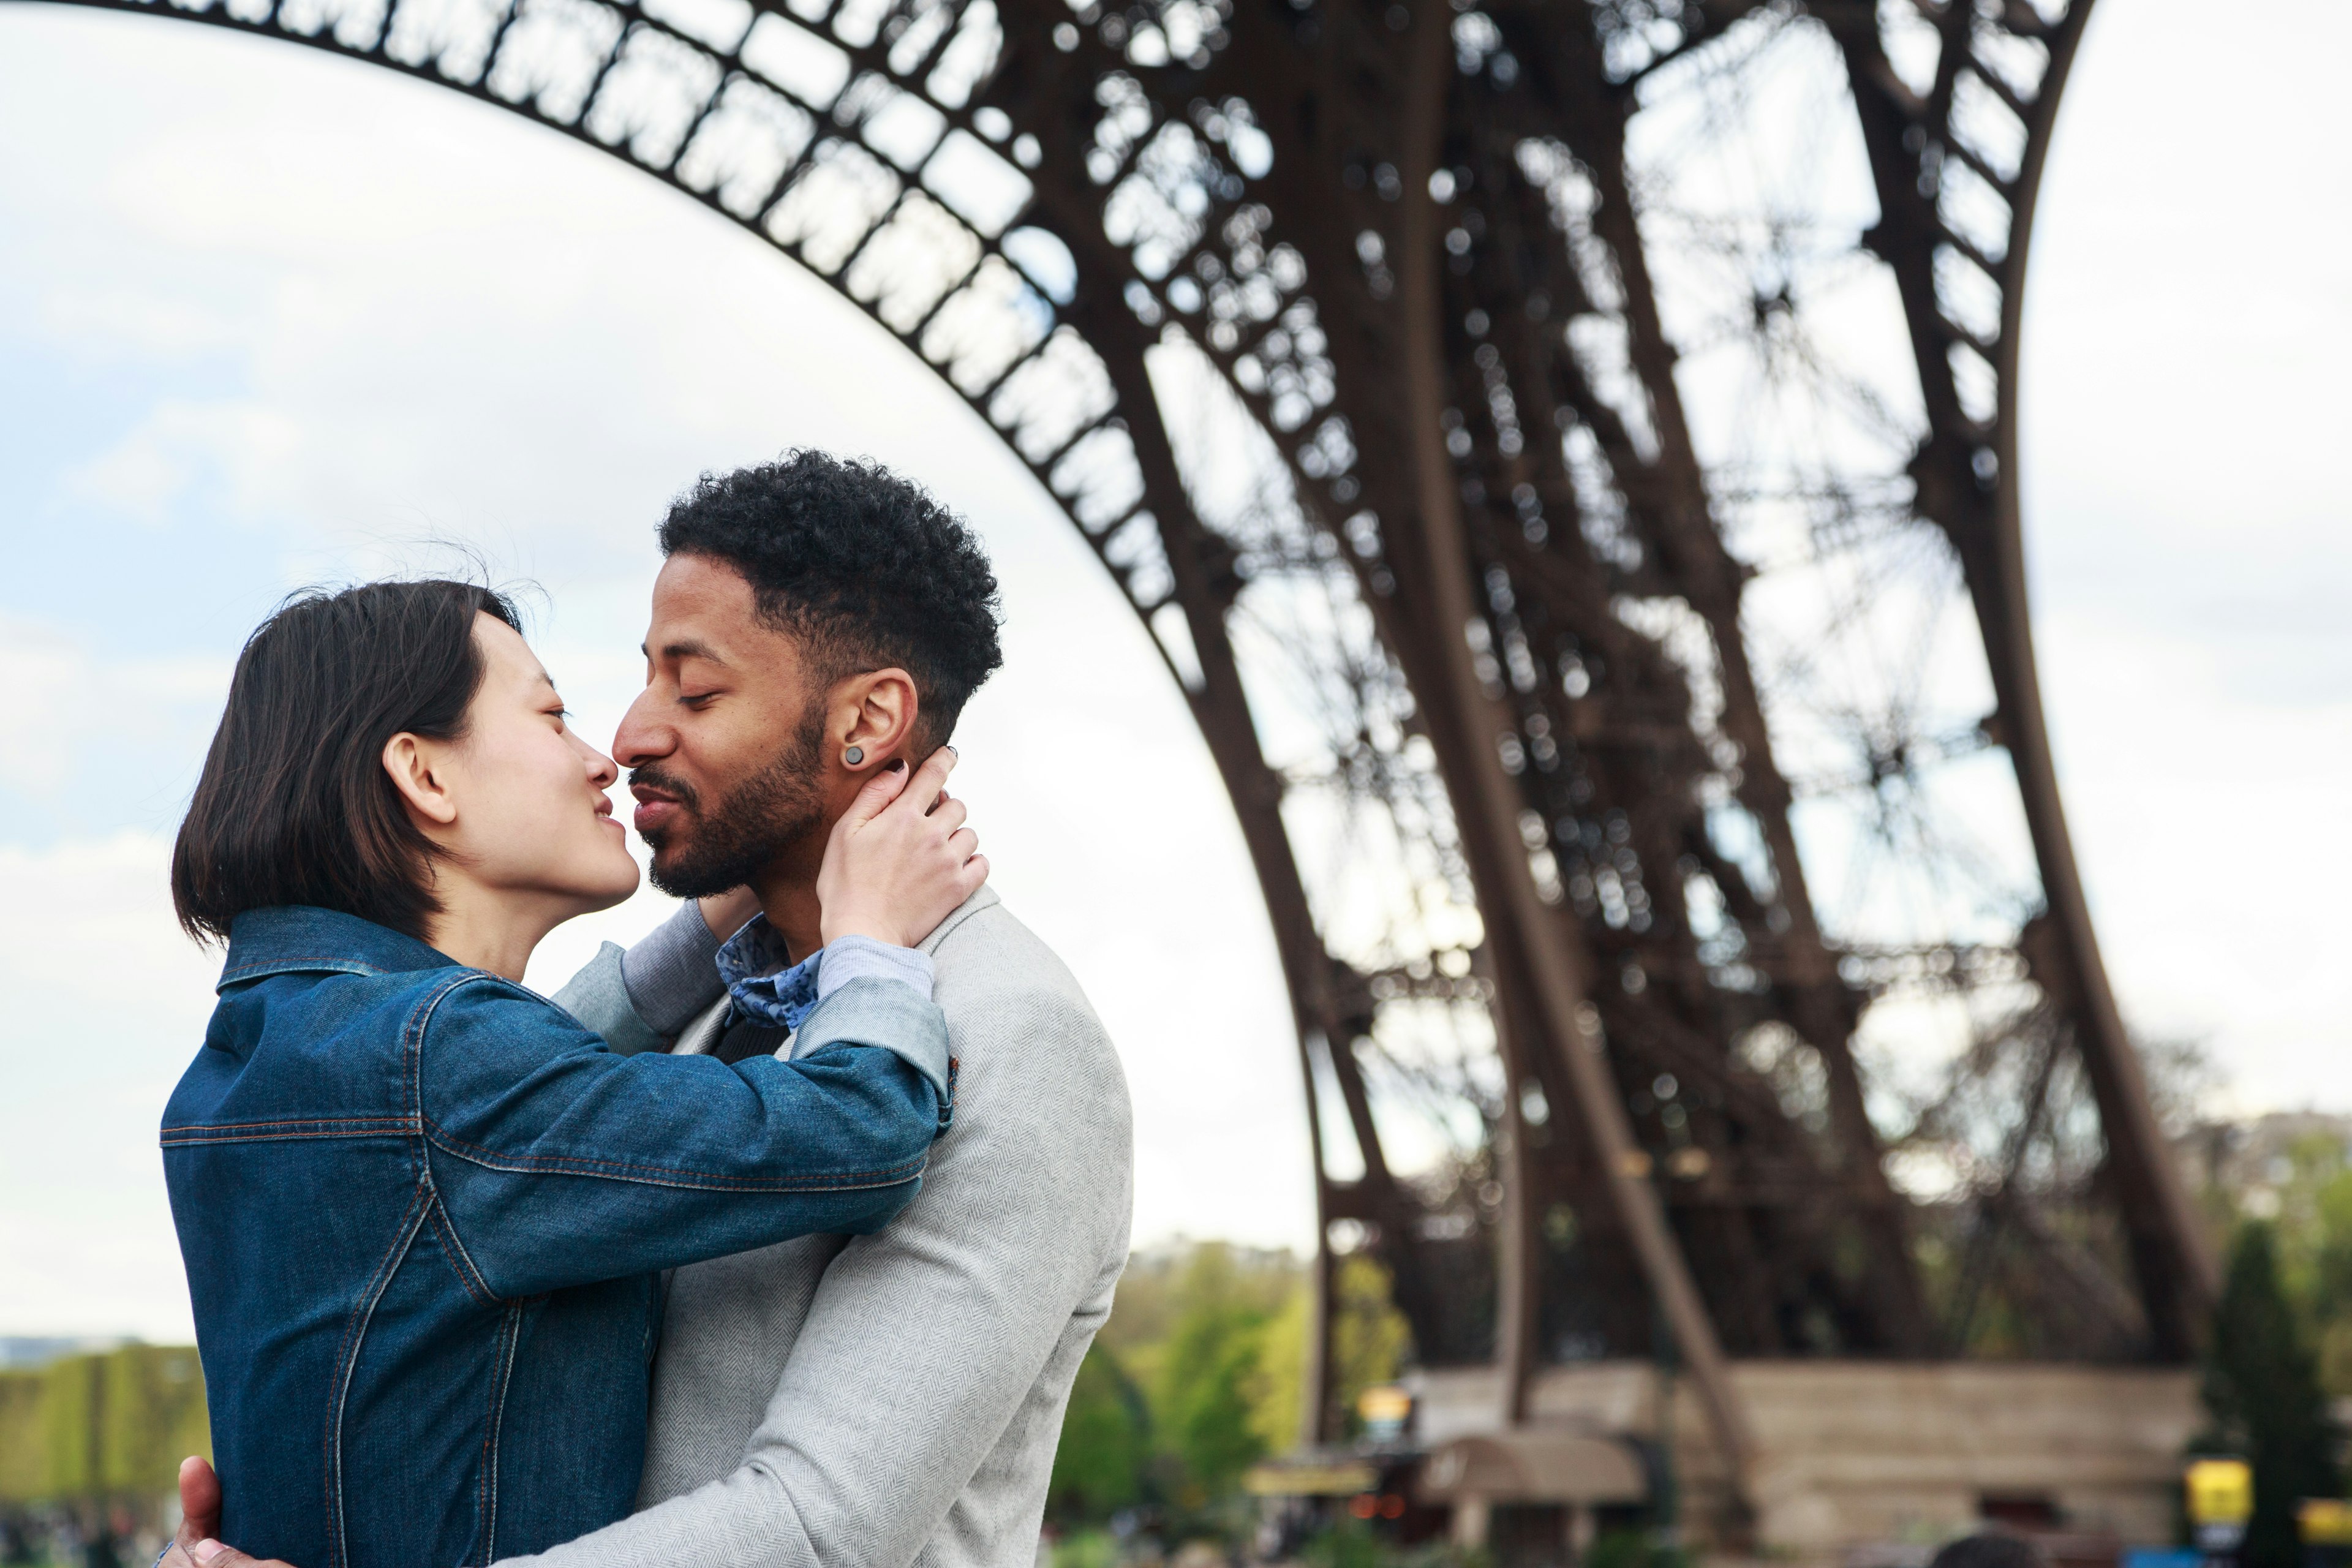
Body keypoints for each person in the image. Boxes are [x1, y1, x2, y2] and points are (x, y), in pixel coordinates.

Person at [167, 453, 1135, 1568]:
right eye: (638, 680)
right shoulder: (683, 1019)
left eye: (697, 689)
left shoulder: (1013, 1035)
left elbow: (820, 1528)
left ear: (869, 719)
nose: (627, 736)